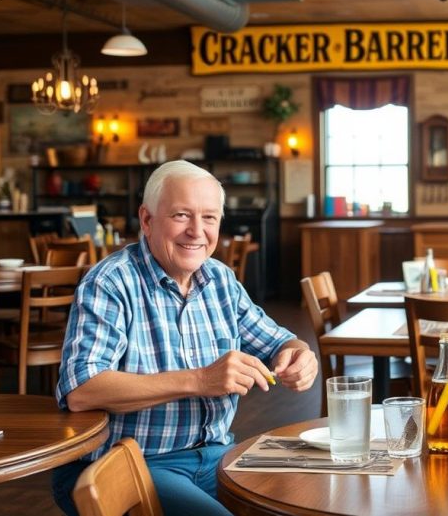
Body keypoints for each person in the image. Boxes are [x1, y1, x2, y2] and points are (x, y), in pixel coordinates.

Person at [51, 160, 318, 516]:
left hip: (217, 456)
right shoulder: (111, 282)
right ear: (146, 220)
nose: (197, 231)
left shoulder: (220, 279)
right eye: (181, 215)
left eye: (209, 218)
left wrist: (299, 354)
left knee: (306, 501)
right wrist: (200, 380)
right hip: (127, 463)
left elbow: (279, 342)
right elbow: (81, 391)